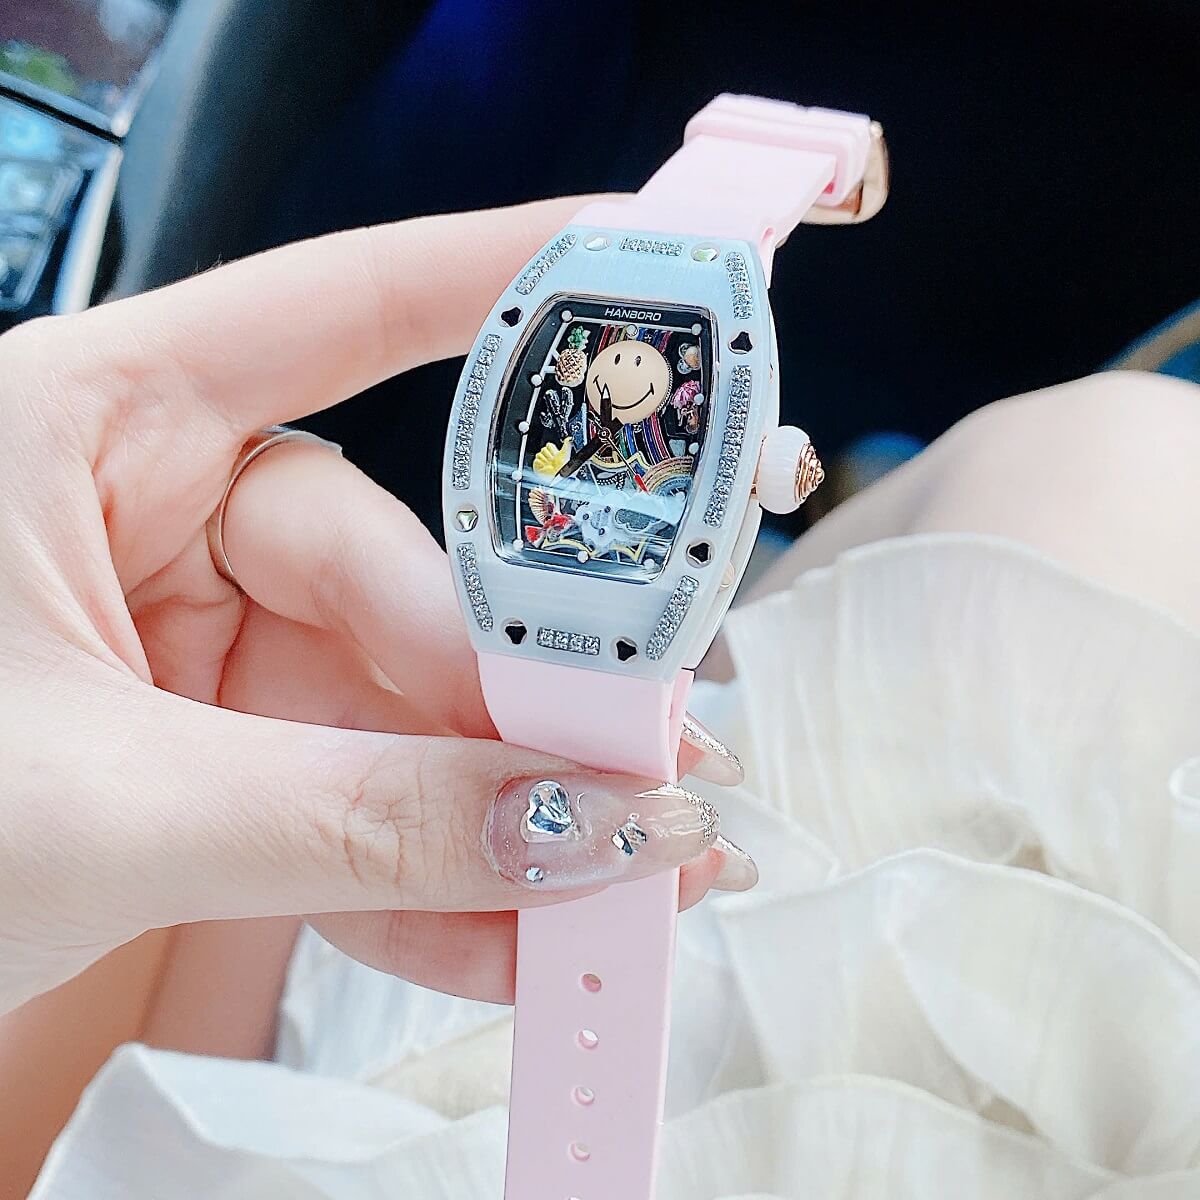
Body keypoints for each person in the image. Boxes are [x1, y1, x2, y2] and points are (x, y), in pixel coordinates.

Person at [1, 196, 1198, 1192]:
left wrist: (246, 782)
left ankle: (797, 531)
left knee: (1106, 465)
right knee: (1116, 470)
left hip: (332, 993)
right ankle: (811, 522)